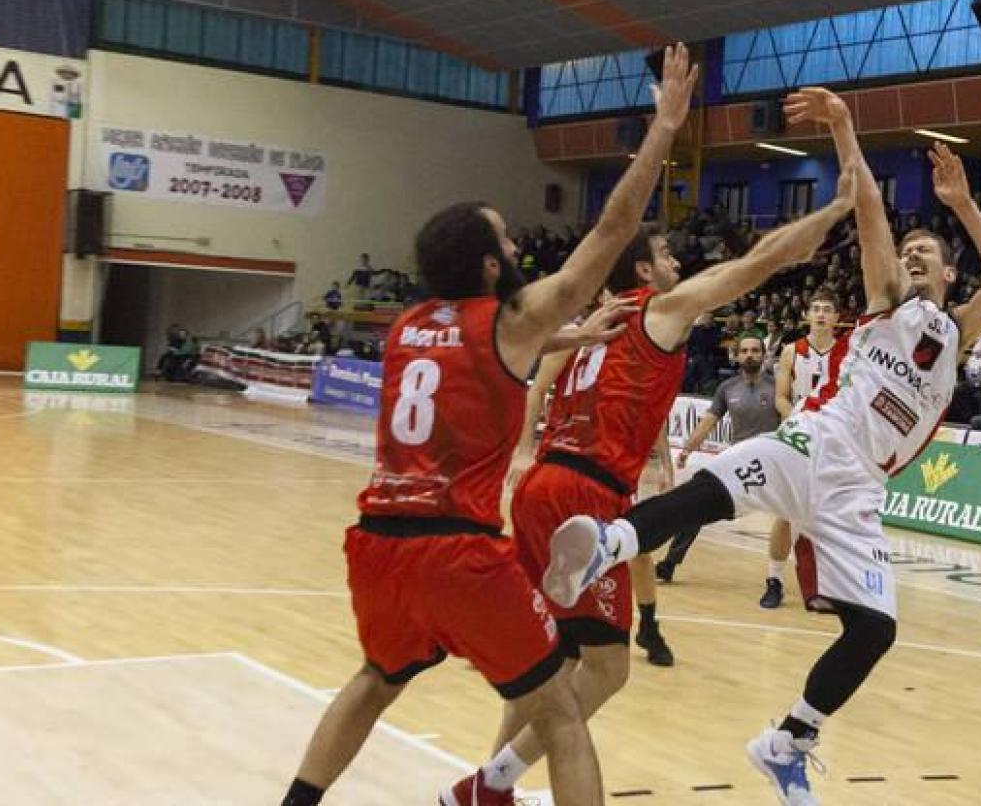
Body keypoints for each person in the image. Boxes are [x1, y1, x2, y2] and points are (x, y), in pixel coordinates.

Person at [541, 86, 981, 805]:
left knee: (875, 631)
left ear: (952, 275)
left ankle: (788, 741)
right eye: (911, 247)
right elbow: (867, 216)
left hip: (860, 487)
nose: (914, 253)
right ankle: (603, 549)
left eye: (928, 252)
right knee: (706, 492)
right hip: (813, 442)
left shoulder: (959, 334)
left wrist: (962, 205)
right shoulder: (890, 298)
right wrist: (845, 125)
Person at [281, 41, 699, 806]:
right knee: (564, 714)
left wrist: (571, 336)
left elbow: (489, 356)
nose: (515, 248)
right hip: (456, 554)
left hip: (377, 545)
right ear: (485, 266)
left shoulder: (408, 323)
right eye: (506, 240)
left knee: (376, 680)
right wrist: (663, 130)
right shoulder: (508, 317)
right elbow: (608, 234)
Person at [470, 189, 853, 806]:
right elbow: (750, 266)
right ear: (645, 271)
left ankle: (494, 785)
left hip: (544, 484)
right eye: (666, 253)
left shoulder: (595, 320)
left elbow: (538, 384)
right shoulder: (659, 310)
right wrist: (829, 214)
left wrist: (523, 451)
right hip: (584, 494)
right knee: (607, 669)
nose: (676, 260)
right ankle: (491, 784)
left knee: (553, 662)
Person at [656, 335, 782, 585]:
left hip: (774, 462)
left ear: (764, 354)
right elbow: (708, 422)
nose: (749, 355)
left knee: (801, 521)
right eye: (744, 351)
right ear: (736, 356)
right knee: (697, 504)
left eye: (755, 350)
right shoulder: (727, 388)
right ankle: (669, 563)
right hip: (739, 464)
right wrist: (687, 450)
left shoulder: (779, 386)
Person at [749, 289, 845, 609]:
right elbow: (780, 397)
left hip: (833, 438)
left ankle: (828, 586)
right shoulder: (792, 351)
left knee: (830, 515)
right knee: (787, 512)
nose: (820, 314)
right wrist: (801, 420)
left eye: (826, 309)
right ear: (806, 315)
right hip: (799, 433)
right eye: (815, 308)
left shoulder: (847, 353)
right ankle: (774, 579)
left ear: (836, 317)